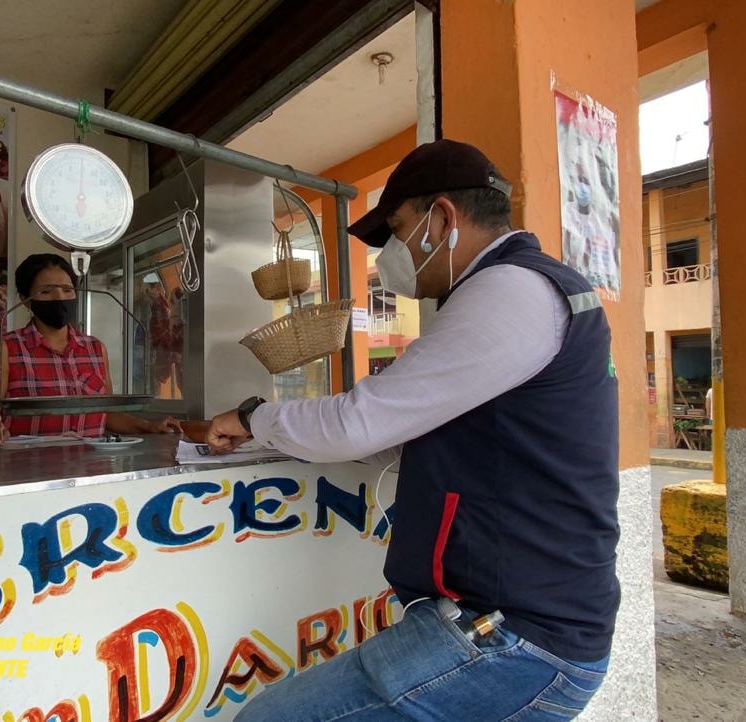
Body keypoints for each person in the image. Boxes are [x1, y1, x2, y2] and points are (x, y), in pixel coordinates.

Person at [207, 140, 618, 721]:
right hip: (511, 622)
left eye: (397, 230)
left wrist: (253, 418)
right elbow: (426, 424)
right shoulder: (531, 288)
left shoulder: (511, 291)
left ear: (442, 219)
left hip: (516, 638)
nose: (390, 255)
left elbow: (358, 422)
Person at [0, 253, 180, 438]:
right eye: (46, 292)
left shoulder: (95, 349)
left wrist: (148, 426)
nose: (59, 298)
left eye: (67, 290)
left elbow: (106, 414)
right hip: (28, 465)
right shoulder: (5, 350)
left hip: (91, 464)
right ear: (25, 300)